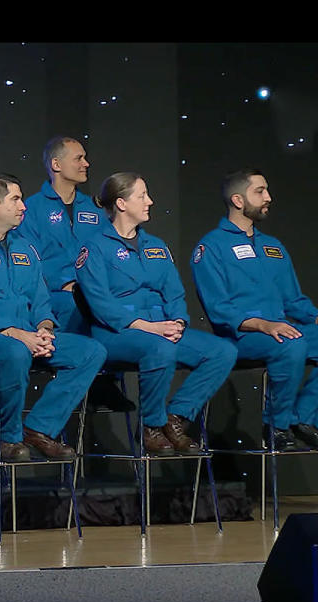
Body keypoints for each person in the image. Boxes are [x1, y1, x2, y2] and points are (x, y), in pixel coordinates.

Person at [0, 173, 105, 461]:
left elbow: (41, 299)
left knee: (91, 351)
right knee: (14, 351)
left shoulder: (24, 248)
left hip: (27, 336)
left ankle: (39, 429)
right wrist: (17, 334)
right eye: (15, 199)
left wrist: (44, 329)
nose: (23, 206)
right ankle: (9, 438)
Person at [75, 172, 237, 455]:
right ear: (122, 203)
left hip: (162, 328)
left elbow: (174, 293)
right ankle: (150, 426)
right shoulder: (95, 247)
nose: (150, 201)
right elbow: (100, 302)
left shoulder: (156, 246)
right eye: (142, 195)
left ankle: (175, 419)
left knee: (222, 351)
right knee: (160, 349)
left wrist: (176, 321)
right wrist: (148, 328)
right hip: (116, 333)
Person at [192, 169, 318, 450]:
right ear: (238, 199)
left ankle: (304, 420)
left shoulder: (273, 246)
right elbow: (218, 308)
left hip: (280, 329)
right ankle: (277, 426)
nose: (268, 197)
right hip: (240, 336)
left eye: (267, 190)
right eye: (260, 191)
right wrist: (262, 325)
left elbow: (294, 300)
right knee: (289, 345)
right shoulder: (211, 246)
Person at [21, 136, 134, 412]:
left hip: (89, 290)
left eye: (85, 157)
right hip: (53, 295)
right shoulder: (31, 208)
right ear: (56, 164)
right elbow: (29, 259)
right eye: (79, 158)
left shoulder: (94, 210)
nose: (87, 163)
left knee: (115, 303)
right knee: (77, 305)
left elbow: (107, 254)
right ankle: (95, 376)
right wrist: (65, 283)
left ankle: (106, 375)